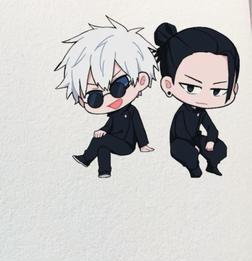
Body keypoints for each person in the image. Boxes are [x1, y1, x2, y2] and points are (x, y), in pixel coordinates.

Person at [55, 17, 157, 178]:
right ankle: (104, 171)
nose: (110, 99)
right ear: (82, 101)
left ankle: (86, 158)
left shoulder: (131, 111)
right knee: (102, 146)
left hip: (126, 145)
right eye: (95, 98)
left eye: (119, 86)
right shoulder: (114, 115)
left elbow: (138, 127)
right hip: (114, 141)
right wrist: (102, 130)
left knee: (101, 142)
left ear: (141, 80)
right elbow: (109, 126)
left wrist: (143, 145)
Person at [154, 23, 240, 177]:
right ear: (168, 84)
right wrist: (194, 148)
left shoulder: (201, 112)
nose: (204, 99)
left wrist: (211, 141)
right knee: (186, 152)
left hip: (195, 138)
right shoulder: (183, 112)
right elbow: (178, 134)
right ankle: (195, 172)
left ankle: (212, 166)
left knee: (220, 148)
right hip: (180, 141)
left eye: (217, 90)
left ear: (234, 88)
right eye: (191, 87)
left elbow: (211, 128)